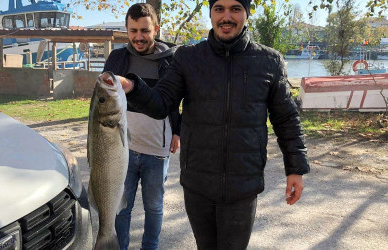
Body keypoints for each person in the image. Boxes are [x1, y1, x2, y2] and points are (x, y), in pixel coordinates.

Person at [112, 0, 311, 249]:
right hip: (198, 183)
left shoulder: (268, 61)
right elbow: (161, 103)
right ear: (211, 14)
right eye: (219, 9)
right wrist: (132, 87)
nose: (226, 16)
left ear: (246, 14)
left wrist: (296, 169)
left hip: (243, 184)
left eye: (235, 9)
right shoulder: (188, 58)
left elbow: (286, 119)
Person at [102, 3, 181, 250]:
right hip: (122, 150)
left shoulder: (171, 61)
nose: (138, 36)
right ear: (126, 29)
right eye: (133, 30)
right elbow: (104, 98)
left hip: (157, 150)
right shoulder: (117, 58)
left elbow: (178, 100)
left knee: (154, 208)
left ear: (155, 29)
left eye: (144, 30)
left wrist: (178, 131)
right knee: (121, 208)